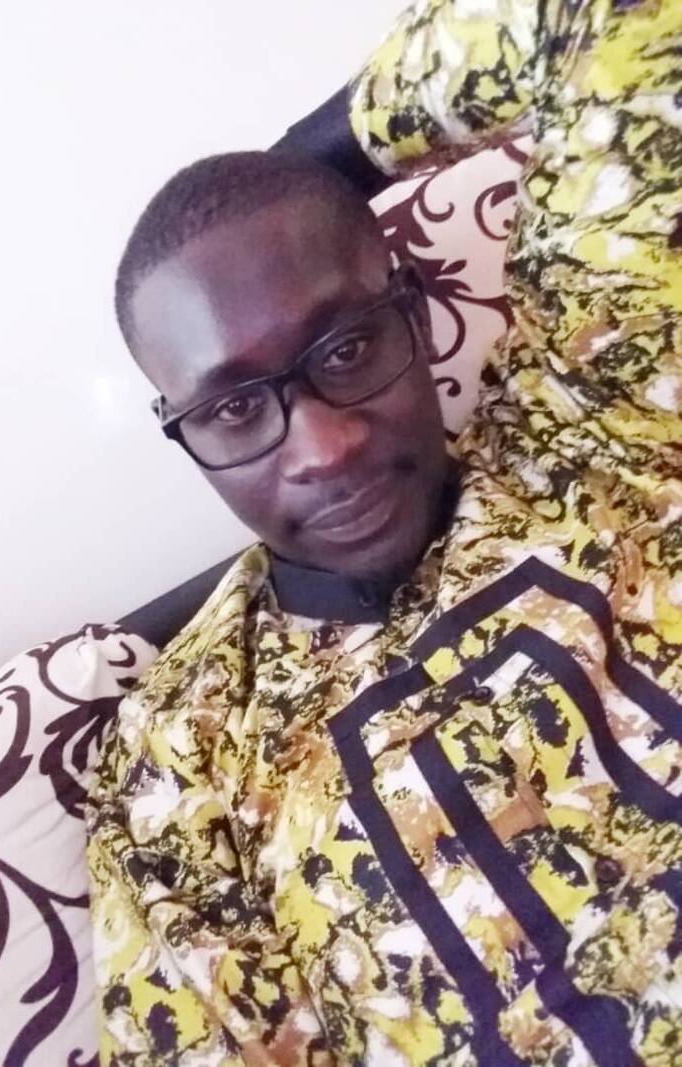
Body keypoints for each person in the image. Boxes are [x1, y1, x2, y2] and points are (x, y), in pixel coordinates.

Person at [86, 1, 682, 1063]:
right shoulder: (179, 759)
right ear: (181, 432)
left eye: (347, 345)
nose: (323, 447)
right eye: (234, 407)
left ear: (414, 312)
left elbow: (604, 20)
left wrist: (310, 168)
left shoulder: (592, 420)